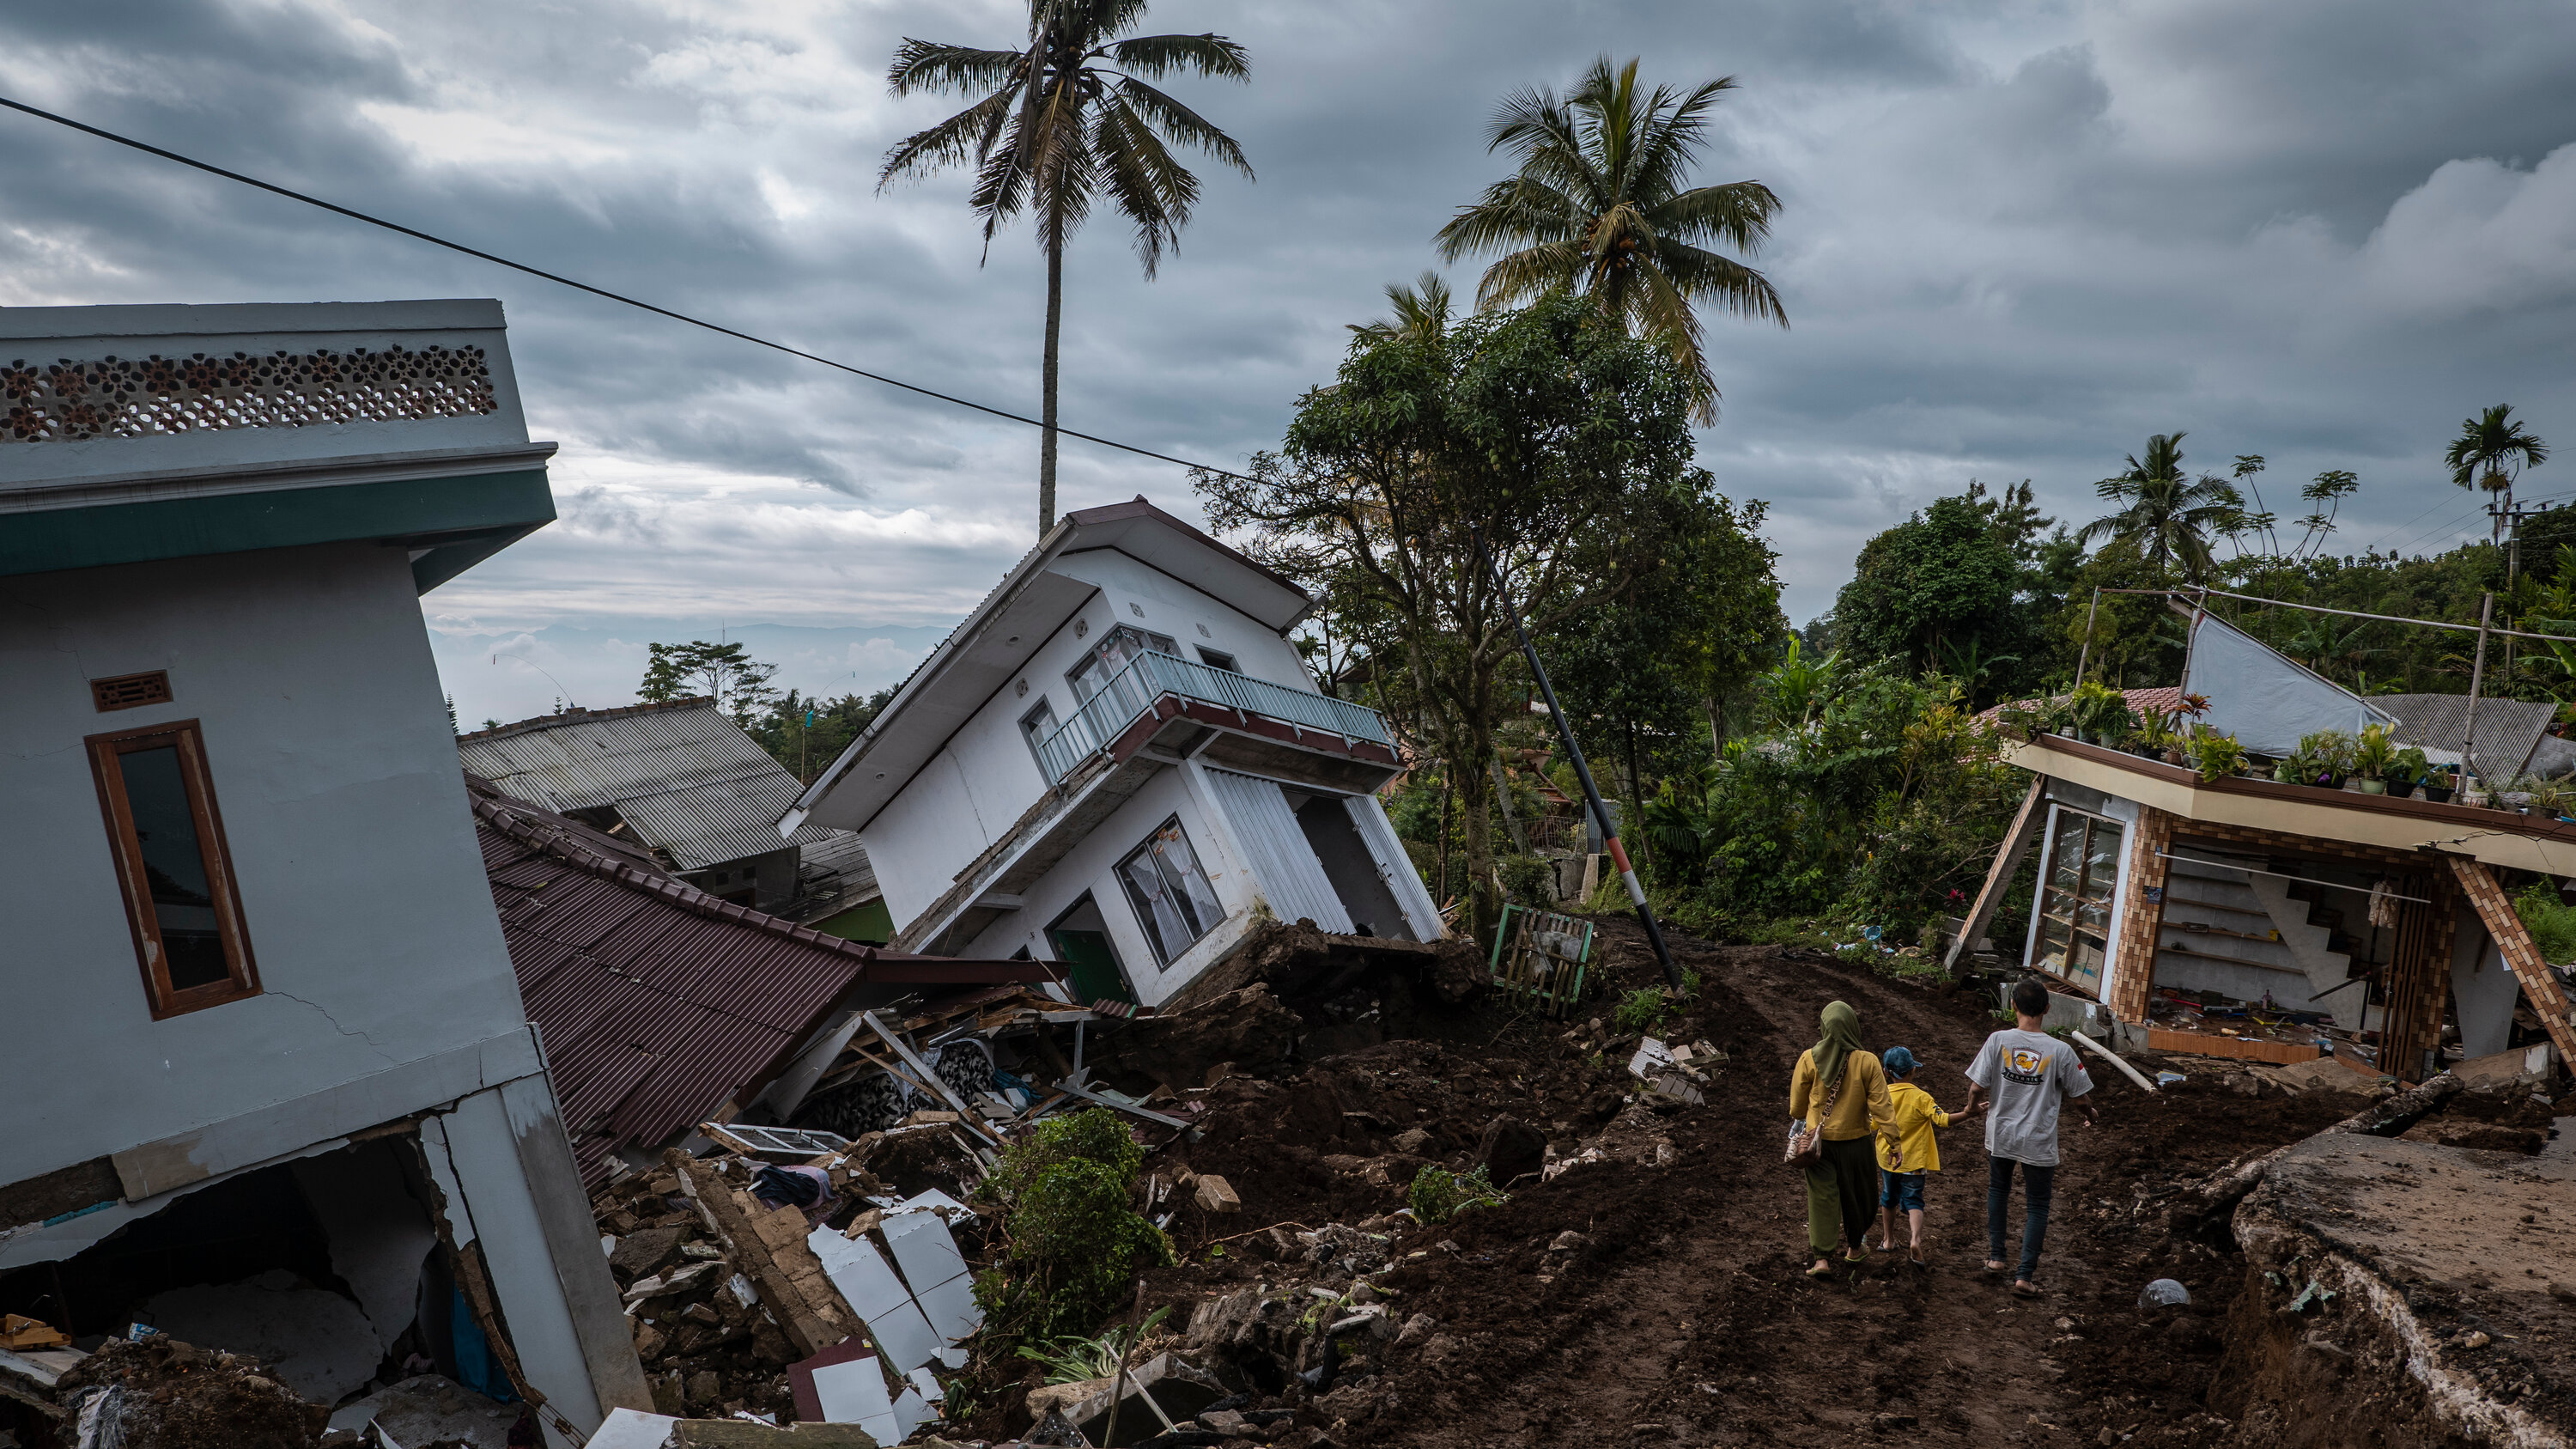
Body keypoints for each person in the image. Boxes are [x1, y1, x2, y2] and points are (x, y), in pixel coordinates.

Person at [1963, 977, 2098, 1297]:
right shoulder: (2061, 1050)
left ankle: (1996, 1258)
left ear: (2013, 1005)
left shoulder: (1998, 1040)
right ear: (2048, 1009)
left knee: (1999, 1190)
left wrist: (1971, 1108)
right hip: (2038, 1139)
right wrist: (2091, 1115)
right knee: (2037, 1205)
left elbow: (1976, 1087)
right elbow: (2080, 1099)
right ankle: (2024, 1276)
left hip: (2001, 1134)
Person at [1788, 1000, 1898, 1278]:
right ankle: (1854, 1248)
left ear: (1824, 1027)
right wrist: (1894, 1142)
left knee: (1822, 1198)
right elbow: (1882, 1107)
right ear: (1853, 1026)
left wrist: (1811, 1110)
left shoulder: (1808, 1059)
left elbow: (1796, 1109)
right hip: (1856, 1143)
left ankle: (1822, 1260)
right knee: (1859, 1197)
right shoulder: (1867, 1061)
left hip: (1817, 1144)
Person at [1871, 1045, 1978, 1266]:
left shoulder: (1881, 1097)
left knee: (1888, 1198)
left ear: (1886, 1072)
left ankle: (1888, 1240)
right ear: (1913, 1070)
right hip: (1915, 1162)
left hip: (1888, 1159)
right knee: (1914, 1201)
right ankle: (1915, 1240)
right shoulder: (1921, 1097)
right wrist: (1968, 1113)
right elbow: (1943, 1120)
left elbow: (1870, 1124)